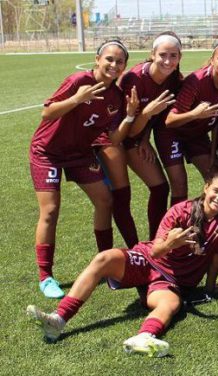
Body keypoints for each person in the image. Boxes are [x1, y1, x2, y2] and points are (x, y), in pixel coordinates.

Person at [26, 171, 218, 357]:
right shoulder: (180, 211)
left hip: (173, 281)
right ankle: (58, 320)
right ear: (206, 188)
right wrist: (170, 244)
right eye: (216, 190)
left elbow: (217, 258)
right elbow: (156, 252)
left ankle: (143, 337)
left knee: (171, 305)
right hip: (148, 261)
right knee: (104, 258)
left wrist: (210, 287)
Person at [30, 40, 138, 299]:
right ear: (97, 59)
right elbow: (47, 113)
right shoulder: (79, 80)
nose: (114, 65)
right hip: (48, 153)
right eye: (109, 59)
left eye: (119, 61)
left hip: (80, 154)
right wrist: (77, 99)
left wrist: (130, 115)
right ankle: (46, 277)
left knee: (105, 201)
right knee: (51, 210)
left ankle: (107, 265)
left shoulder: (115, 97)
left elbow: (113, 139)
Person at [109, 31, 180, 241]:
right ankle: (133, 251)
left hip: (135, 137)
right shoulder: (134, 79)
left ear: (180, 57)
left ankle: (154, 243)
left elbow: (153, 119)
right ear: (152, 54)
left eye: (173, 55)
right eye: (163, 55)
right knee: (120, 196)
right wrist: (147, 113)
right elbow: (129, 125)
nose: (168, 61)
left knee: (160, 188)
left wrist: (144, 138)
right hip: (114, 139)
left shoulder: (174, 78)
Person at [162, 40, 218, 205]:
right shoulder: (196, 81)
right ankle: (175, 227)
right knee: (179, 185)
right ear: (212, 59)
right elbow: (170, 121)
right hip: (173, 133)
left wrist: (213, 154)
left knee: (215, 176)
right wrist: (195, 114)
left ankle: (204, 221)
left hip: (197, 135)